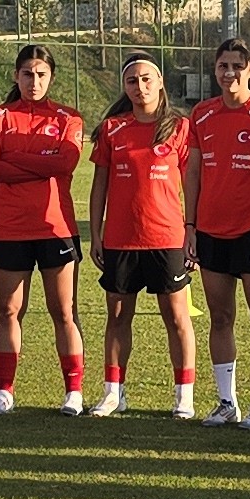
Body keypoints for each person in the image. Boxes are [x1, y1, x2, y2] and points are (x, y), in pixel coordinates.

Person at [186, 38, 250, 429]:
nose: (228, 73)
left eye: (236, 66)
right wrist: (190, 227)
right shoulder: (201, 115)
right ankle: (226, 400)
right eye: (222, 66)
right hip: (211, 233)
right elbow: (193, 173)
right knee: (220, 317)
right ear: (215, 71)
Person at [0, 44, 88, 415]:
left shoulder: (68, 118)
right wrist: (43, 163)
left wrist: (16, 160)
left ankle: (73, 391)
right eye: (28, 74)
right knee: (9, 311)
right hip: (9, 229)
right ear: (16, 75)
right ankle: (4, 391)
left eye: (41, 74)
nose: (34, 81)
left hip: (56, 227)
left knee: (64, 312)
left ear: (51, 77)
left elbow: (67, 161)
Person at [87, 53, 198, 420]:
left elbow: (192, 183)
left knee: (177, 318)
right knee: (117, 317)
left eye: (147, 79)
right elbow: (100, 184)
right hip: (121, 239)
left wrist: (191, 231)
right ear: (125, 86)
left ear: (161, 81)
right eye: (132, 81)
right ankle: (113, 392)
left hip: (167, 238)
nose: (140, 87)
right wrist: (96, 233)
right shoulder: (112, 129)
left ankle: (184, 395)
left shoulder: (179, 128)